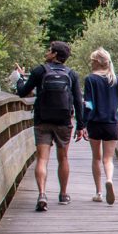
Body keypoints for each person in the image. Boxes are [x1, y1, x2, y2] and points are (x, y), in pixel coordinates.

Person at [15, 41, 86, 211]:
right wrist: (81, 126)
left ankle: (42, 194)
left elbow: (23, 92)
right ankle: (63, 195)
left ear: (54, 54)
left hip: (42, 120)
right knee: (63, 158)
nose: (47, 53)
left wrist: (18, 79)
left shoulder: (40, 70)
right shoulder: (72, 74)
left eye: (49, 51)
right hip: (63, 122)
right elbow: (77, 101)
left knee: (42, 159)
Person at [84, 47, 118, 205]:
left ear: (96, 62)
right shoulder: (115, 79)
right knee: (108, 159)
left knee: (96, 158)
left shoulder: (90, 79)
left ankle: (99, 193)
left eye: (91, 61)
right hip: (111, 124)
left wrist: (84, 122)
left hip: (95, 123)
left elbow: (88, 103)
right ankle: (109, 179)